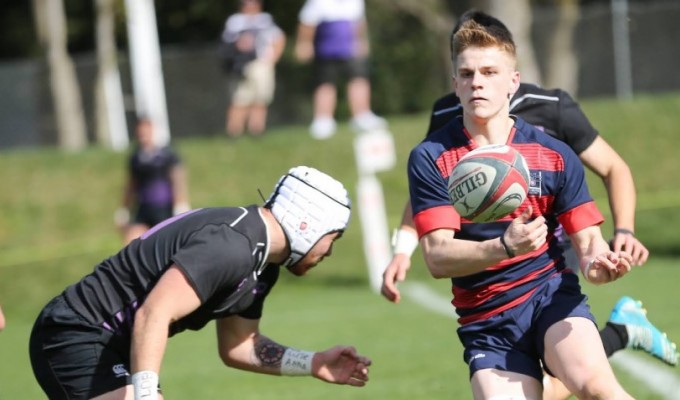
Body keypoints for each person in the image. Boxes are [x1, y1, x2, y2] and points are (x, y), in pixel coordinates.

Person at [381, 10, 678, 379]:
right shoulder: (446, 114)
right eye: (467, 71)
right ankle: (620, 334)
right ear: (455, 78)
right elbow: (436, 190)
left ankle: (614, 337)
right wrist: (402, 248)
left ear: (512, 79)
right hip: (484, 279)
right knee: (553, 381)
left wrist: (623, 234)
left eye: (489, 71)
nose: (477, 82)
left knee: (580, 378)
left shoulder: (553, 110)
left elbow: (613, 168)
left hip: (550, 247)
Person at [30, 166, 372, 400]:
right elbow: (154, 314)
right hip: (75, 333)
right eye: (333, 238)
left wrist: (312, 362)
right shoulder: (233, 246)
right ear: (306, 225)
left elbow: (239, 346)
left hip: (110, 343)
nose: (330, 251)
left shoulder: (263, 262)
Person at [295, 0, 386, 140]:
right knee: (325, 84)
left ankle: (361, 116)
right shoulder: (317, 2)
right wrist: (304, 44)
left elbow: (359, 22)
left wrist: (361, 40)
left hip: (351, 48)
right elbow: (307, 24)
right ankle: (323, 120)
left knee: (359, 79)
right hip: (325, 49)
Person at [115, 117, 191, 245]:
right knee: (131, 241)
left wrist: (181, 203)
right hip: (144, 208)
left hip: (165, 209)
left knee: (165, 244)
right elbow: (132, 184)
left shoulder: (167, 154)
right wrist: (124, 209)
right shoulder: (136, 157)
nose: (143, 136)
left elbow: (178, 179)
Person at [220, 0, 286, 138]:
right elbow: (227, 43)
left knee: (260, 99)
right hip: (241, 65)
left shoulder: (266, 20)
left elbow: (279, 38)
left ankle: (256, 131)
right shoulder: (234, 21)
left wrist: (272, 60)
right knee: (239, 99)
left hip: (261, 63)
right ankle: (234, 133)